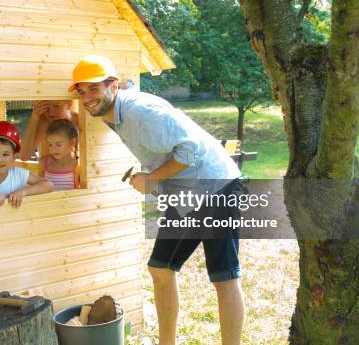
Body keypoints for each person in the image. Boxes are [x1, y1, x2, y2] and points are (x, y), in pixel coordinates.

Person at [69, 55, 245, 345]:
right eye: (81, 91)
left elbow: (192, 149)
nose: (87, 97)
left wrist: (152, 179)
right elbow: (126, 89)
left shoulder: (139, 112)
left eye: (93, 88)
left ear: (112, 85)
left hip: (216, 187)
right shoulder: (115, 110)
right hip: (186, 194)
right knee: (161, 268)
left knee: (223, 278)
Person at [0, 121, 53, 208]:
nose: (0, 160)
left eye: (5, 154)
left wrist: (23, 192)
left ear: (14, 157)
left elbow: (48, 185)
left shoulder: (18, 174)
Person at [41, 119, 80, 190]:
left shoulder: (78, 164)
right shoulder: (44, 162)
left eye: (58, 145)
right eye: (50, 144)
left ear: (72, 142)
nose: (53, 149)